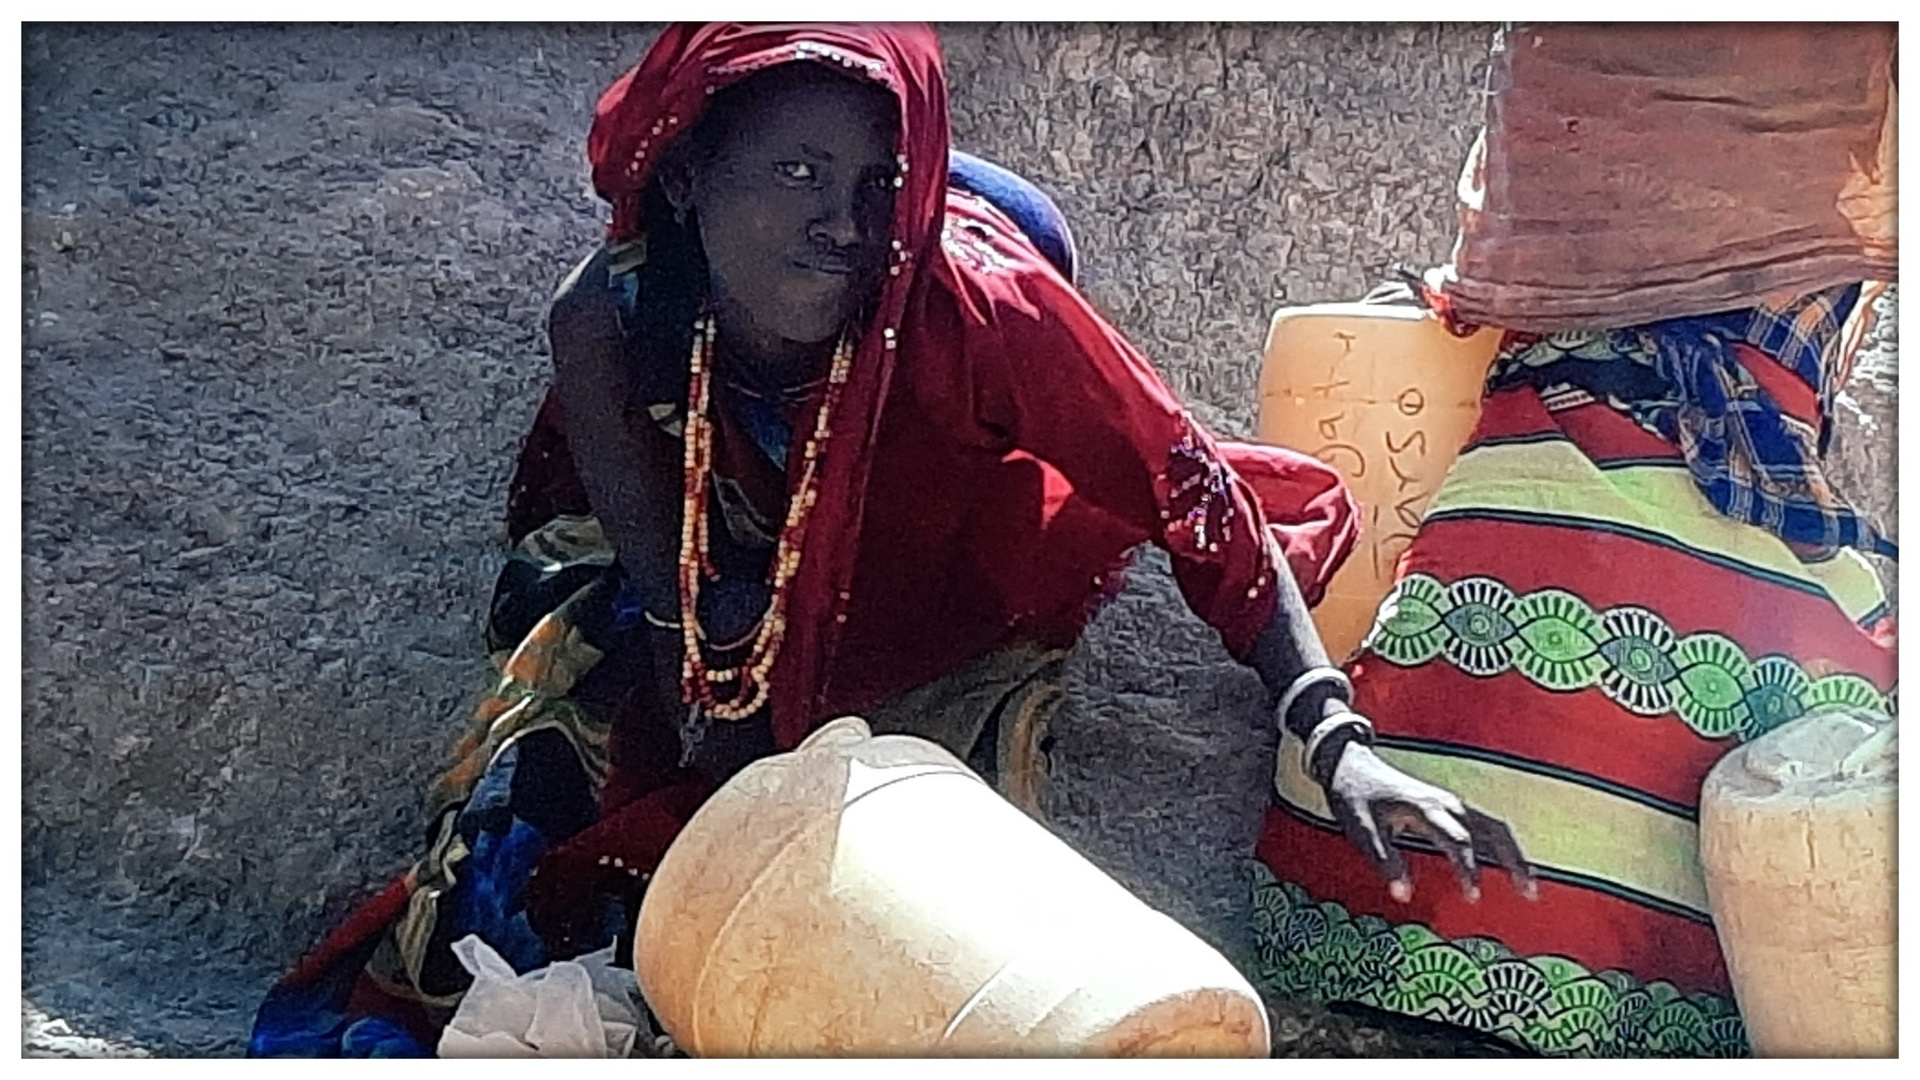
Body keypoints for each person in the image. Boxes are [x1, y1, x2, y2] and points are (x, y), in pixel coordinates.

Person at [250, 23, 1530, 1058]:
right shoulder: (616, 314)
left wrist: (1334, 731)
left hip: (943, 535)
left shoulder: (974, 306)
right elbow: (658, 585)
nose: (846, 228)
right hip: (725, 527)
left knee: (930, 838)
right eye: (798, 174)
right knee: (557, 733)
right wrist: (714, 690)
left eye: (878, 183)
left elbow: (1188, 489)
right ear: (690, 179)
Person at [1250, 273, 1896, 1056]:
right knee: (1847, 736)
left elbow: (1479, 285)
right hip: (1634, 991)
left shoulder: (1562, 179)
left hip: (1348, 917)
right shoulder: (1842, 196)